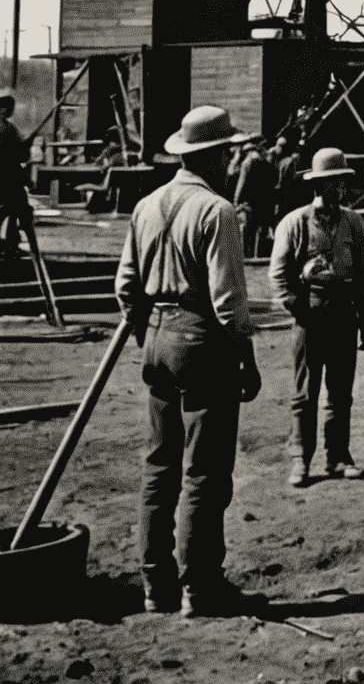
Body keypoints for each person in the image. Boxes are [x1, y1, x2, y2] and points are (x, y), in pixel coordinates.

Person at [114, 105, 263, 618]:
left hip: (156, 337)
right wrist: (247, 356)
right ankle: (200, 588)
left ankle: (156, 587)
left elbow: (125, 286)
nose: (231, 160)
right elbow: (229, 303)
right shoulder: (216, 210)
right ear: (215, 155)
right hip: (203, 341)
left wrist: (147, 334)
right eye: (228, 152)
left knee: (158, 467)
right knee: (204, 472)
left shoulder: (147, 204)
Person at [269, 148, 364, 488]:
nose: (341, 189)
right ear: (319, 185)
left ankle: (338, 456)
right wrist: (296, 306)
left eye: (343, 183)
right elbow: (278, 273)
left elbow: (363, 274)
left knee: (341, 391)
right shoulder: (295, 223)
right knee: (305, 392)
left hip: (344, 312)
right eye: (335, 183)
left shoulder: (353, 222)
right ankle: (301, 459)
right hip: (310, 312)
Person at [0, 89, 34, 263]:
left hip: (7, 177)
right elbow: (17, 156)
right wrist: (26, 145)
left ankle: (11, 244)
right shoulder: (5, 128)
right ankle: (11, 244)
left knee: (14, 210)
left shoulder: (8, 127)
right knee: (17, 210)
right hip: (7, 177)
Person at [232, 137, 277, 259]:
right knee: (261, 232)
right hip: (263, 203)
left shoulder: (247, 163)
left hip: (250, 204)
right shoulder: (267, 162)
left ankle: (247, 257)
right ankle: (259, 255)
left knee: (248, 233)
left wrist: (236, 202)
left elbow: (242, 184)